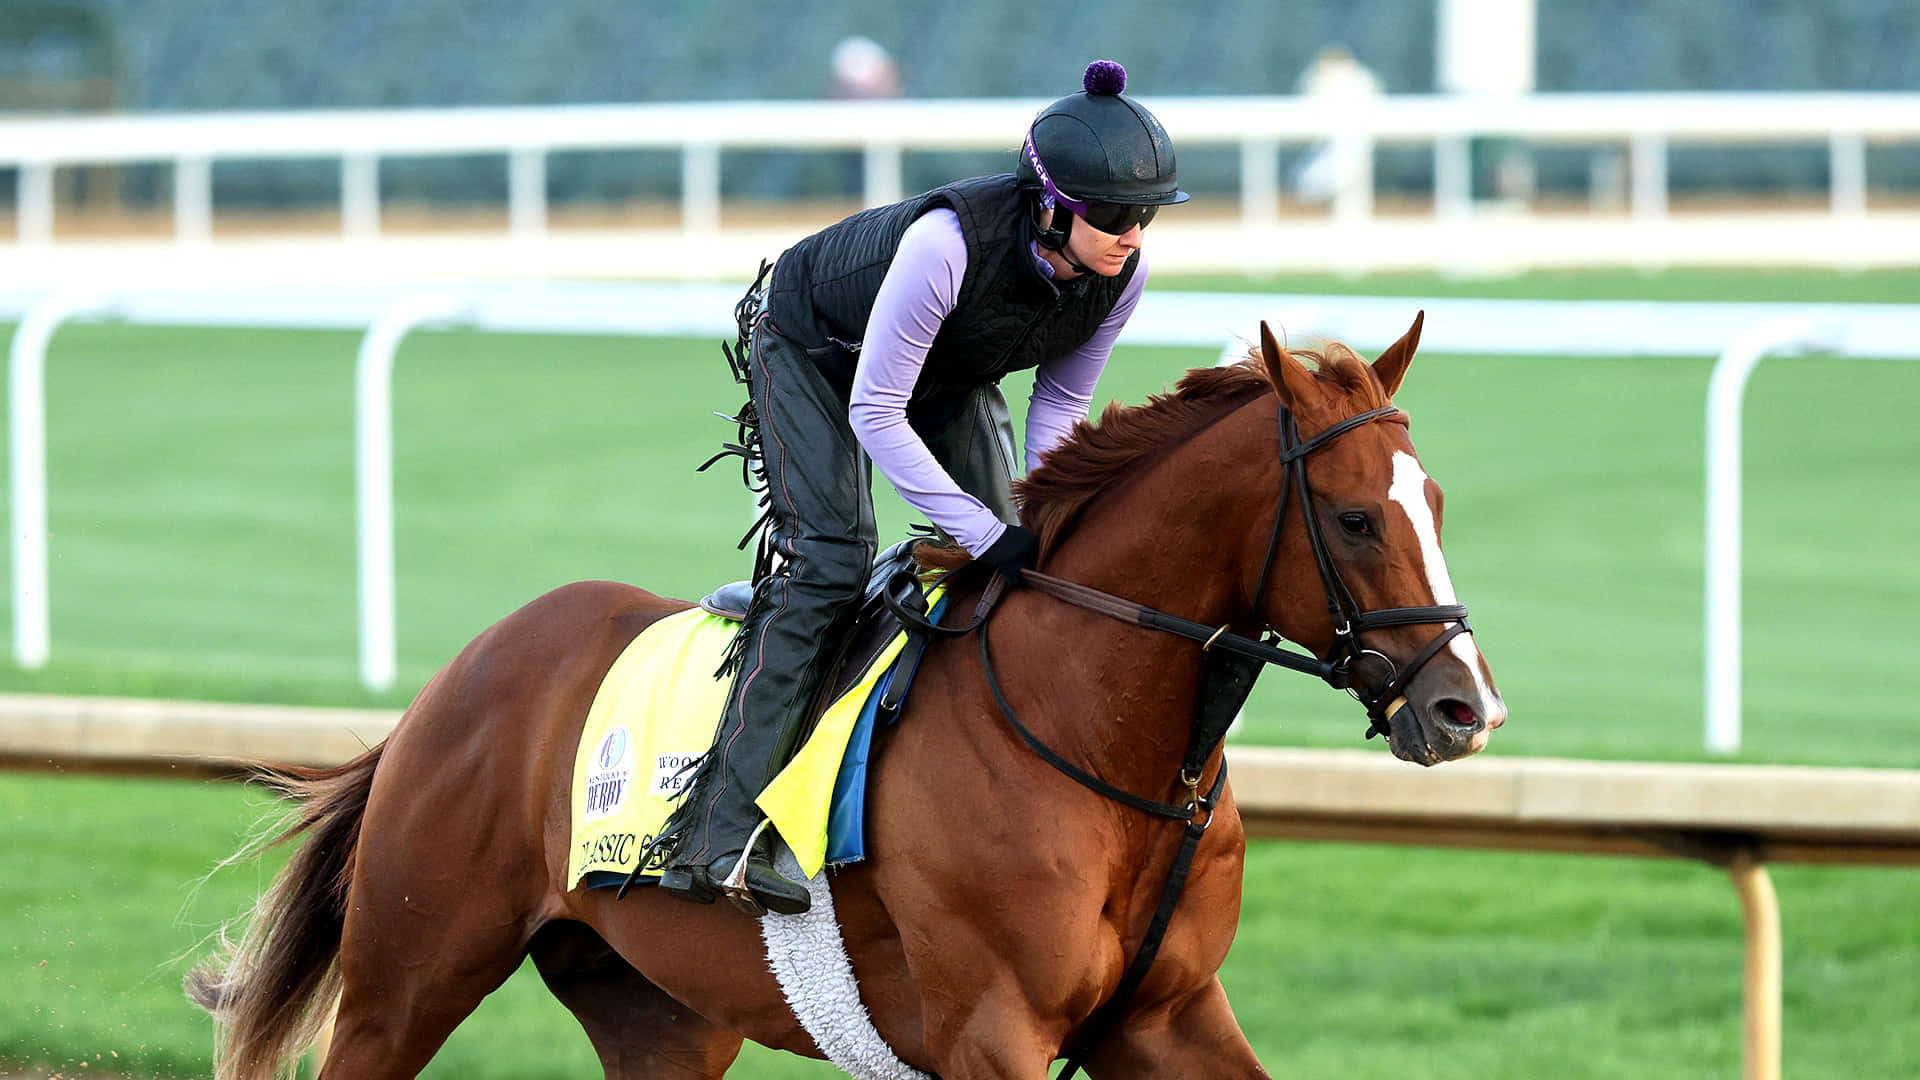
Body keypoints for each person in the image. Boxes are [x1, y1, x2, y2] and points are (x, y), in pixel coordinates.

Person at [654, 59, 1188, 916]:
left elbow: (1061, 401)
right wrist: (980, 531)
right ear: (1051, 205)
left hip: (940, 369)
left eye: (1149, 215)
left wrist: (1034, 517)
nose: (1133, 234)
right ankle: (718, 837)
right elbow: (875, 410)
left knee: (1031, 555)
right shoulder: (947, 245)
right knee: (832, 557)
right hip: (817, 353)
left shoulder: (1123, 274)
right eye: (1117, 214)